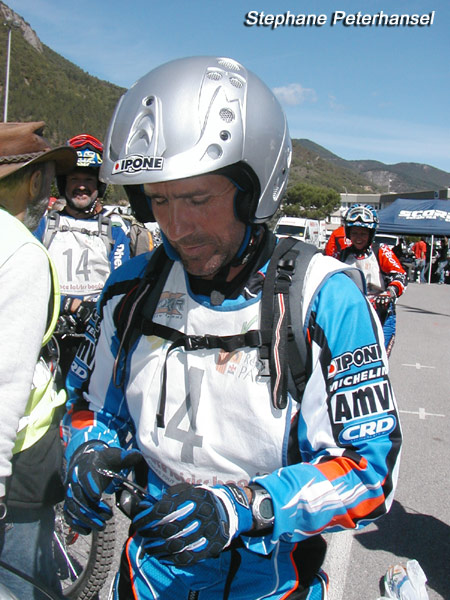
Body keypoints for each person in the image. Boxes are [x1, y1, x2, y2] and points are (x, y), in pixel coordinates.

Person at [62, 56, 402, 600]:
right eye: (158, 199)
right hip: (146, 574)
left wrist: (247, 506)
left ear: (255, 191)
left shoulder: (324, 298)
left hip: (272, 582)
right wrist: (86, 451)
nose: (177, 227)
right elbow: (92, 409)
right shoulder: (131, 288)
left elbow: (370, 472)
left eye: (198, 199)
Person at [0, 121, 76, 598]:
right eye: (48, 182)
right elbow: (6, 379)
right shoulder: (21, 251)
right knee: (21, 581)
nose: (50, 196)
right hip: (21, 460)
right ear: (32, 183)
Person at [35, 134, 131, 383]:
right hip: (49, 336)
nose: (81, 186)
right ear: (63, 184)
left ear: (99, 186)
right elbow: (29, 280)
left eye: (88, 180)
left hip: (96, 337)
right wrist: (69, 304)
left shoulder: (114, 230)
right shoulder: (44, 225)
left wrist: (95, 309)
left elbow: (121, 288)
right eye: (74, 179)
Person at [339, 203, 407, 357]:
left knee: (380, 359)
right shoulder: (342, 255)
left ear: (371, 234)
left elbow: (400, 275)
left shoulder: (381, 251)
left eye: (363, 233)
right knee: (352, 359)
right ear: (348, 233)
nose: (358, 238)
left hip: (381, 313)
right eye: (354, 233)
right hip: (352, 314)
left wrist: (390, 292)